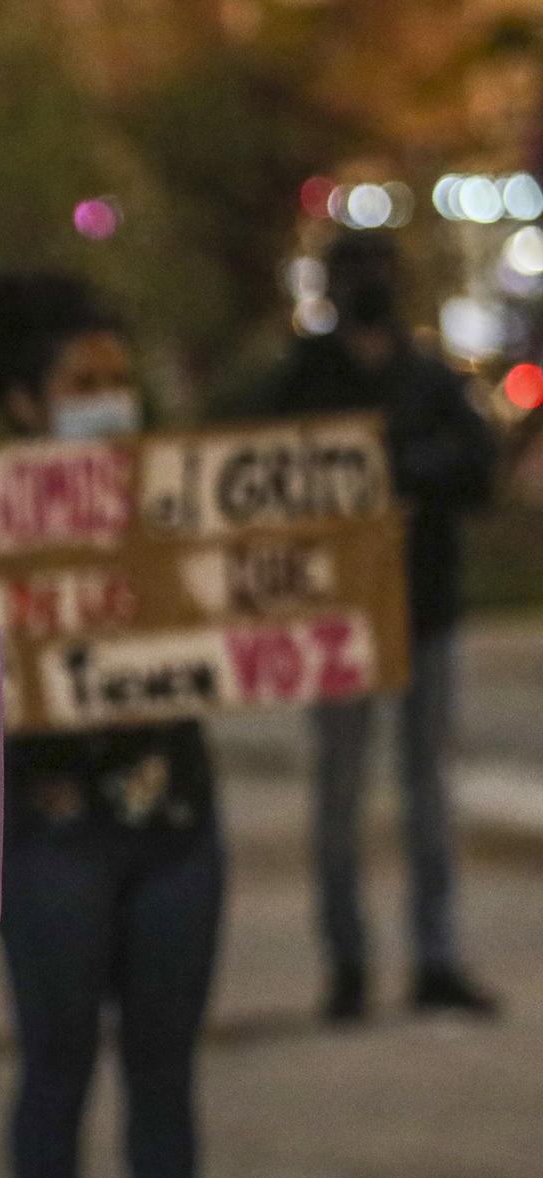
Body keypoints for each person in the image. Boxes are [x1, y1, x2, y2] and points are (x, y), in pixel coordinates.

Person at [0, 272, 245, 1178]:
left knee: (166, 1071)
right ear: (26, 403)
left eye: (121, 381)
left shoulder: (172, 503)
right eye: (84, 384)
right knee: (58, 1068)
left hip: (176, 823)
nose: (110, 401)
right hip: (51, 836)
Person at [248, 229, 500, 1022]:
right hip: (338, 623)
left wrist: (390, 468)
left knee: (425, 789)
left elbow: (477, 466)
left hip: (424, 611)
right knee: (341, 794)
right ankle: (350, 967)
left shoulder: (427, 376)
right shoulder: (305, 378)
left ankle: (432, 960)